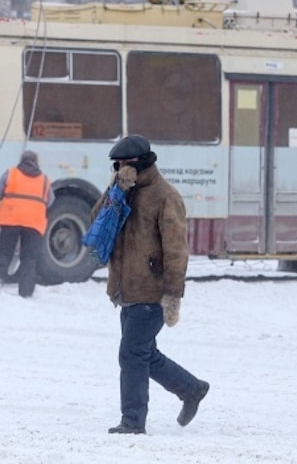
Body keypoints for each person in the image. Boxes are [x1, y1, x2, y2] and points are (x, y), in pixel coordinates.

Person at [99, 134, 209, 435]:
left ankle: (133, 421)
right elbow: (97, 221)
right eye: (116, 165)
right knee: (144, 353)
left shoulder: (164, 196)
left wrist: (173, 297)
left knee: (131, 354)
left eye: (122, 163)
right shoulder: (122, 191)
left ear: (139, 163)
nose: (118, 168)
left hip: (151, 292)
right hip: (127, 290)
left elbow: (177, 251)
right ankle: (191, 389)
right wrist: (115, 191)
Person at [0, 150, 54, 298]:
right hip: (34, 223)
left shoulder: (11, 173)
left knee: (4, 253)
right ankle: (26, 290)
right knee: (29, 257)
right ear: (36, 162)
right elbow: (50, 201)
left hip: (10, 220)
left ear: (21, 160)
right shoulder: (44, 180)